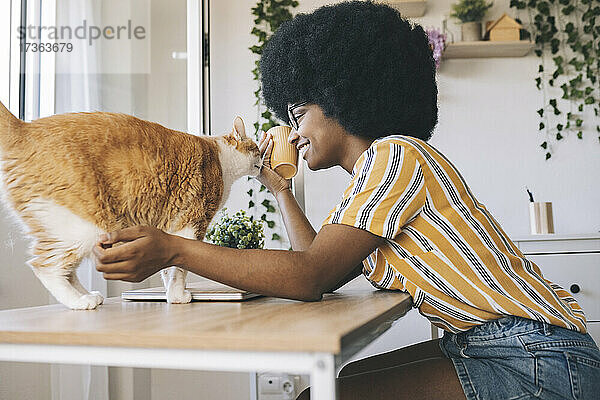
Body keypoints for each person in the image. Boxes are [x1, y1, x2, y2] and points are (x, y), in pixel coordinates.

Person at [94, 2, 600, 399]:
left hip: (538, 357)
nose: (293, 131)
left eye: (299, 112)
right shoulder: (374, 178)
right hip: (507, 348)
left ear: (342, 99)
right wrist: (282, 190)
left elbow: (311, 276)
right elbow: (317, 260)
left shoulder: (395, 156)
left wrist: (173, 248)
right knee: (321, 393)